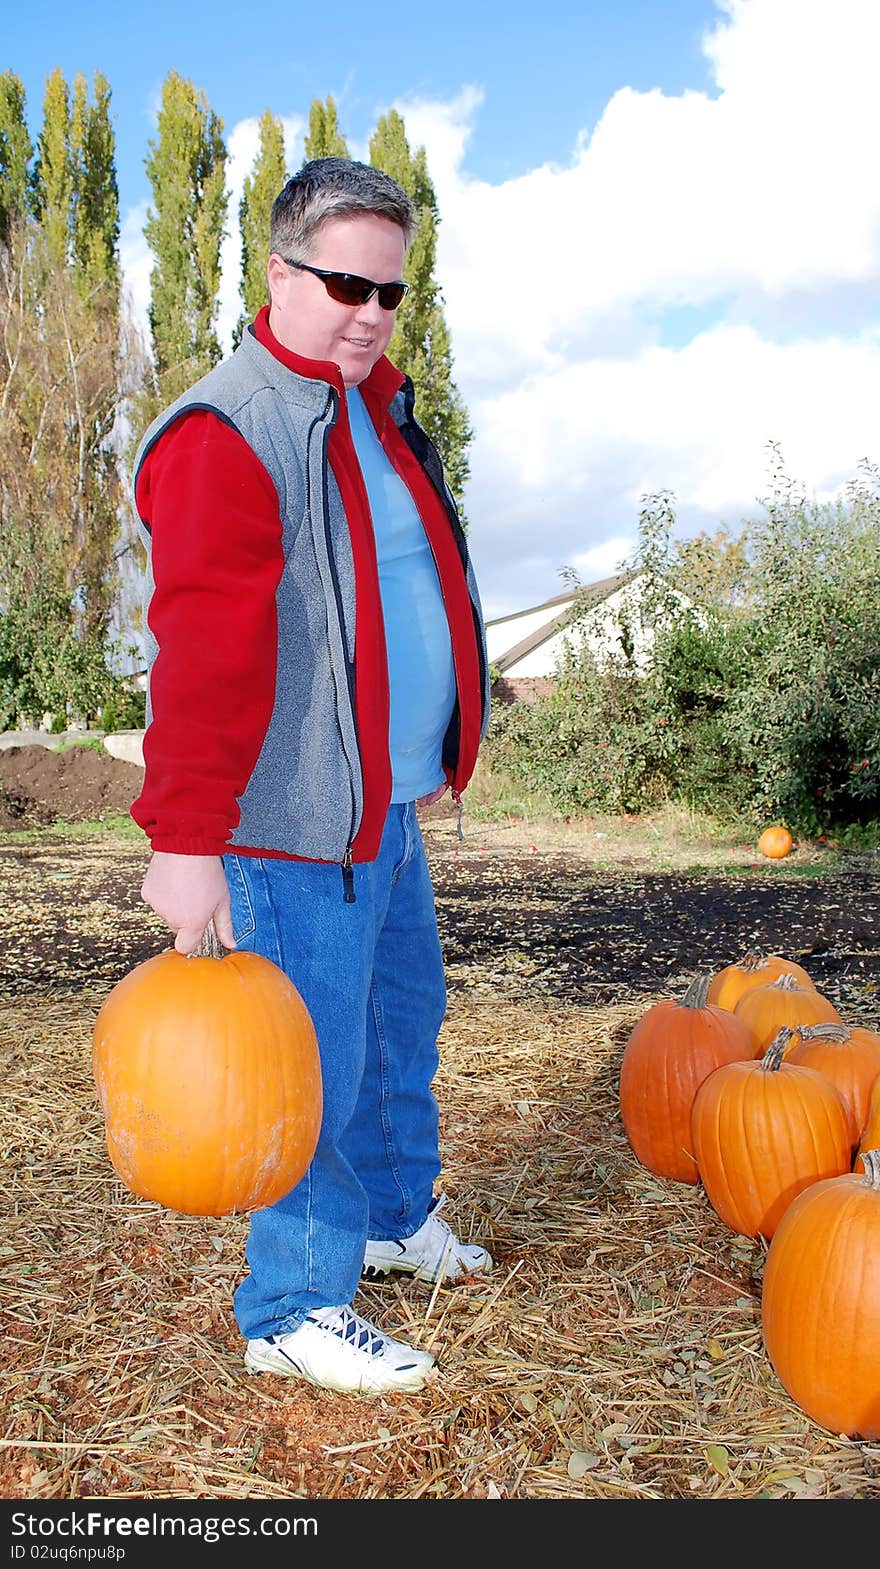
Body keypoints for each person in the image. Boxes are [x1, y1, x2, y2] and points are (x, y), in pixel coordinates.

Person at [130, 158, 493, 1396]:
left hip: (381, 807)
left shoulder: (372, 410)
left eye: (392, 293)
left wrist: (443, 740)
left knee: (401, 1026)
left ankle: (393, 1222)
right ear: (276, 272)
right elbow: (201, 654)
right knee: (313, 1066)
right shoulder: (228, 431)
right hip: (291, 828)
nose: (370, 313)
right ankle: (291, 1302)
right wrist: (184, 844)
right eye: (345, 284)